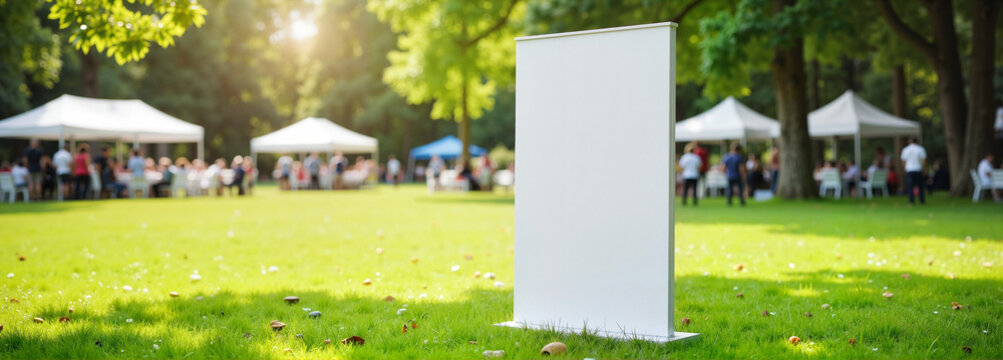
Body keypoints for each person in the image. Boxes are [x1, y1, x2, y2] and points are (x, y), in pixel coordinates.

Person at [900, 137, 927, 205]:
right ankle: (922, 201)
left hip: (909, 169)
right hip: (918, 169)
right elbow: (924, 160)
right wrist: (924, 169)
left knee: (910, 186)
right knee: (920, 186)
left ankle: (911, 201)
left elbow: (903, 161)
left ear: (909, 141)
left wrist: (904, 169)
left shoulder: (906, 149)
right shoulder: (920, 149)